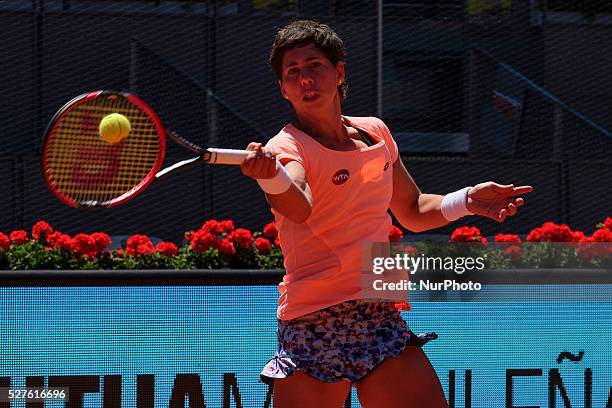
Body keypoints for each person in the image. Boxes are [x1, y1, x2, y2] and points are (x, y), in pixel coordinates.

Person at [240, 20, 532, 408]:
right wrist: (271, 178)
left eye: (314, 65)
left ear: (339, 71)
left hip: (380, 308)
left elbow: (412, 209)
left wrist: (467, 201)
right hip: (315, 319)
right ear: (283, 88)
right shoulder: (286, 147)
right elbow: (298, 204)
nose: (305, 78)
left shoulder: (376, 132)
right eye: (293, 72)